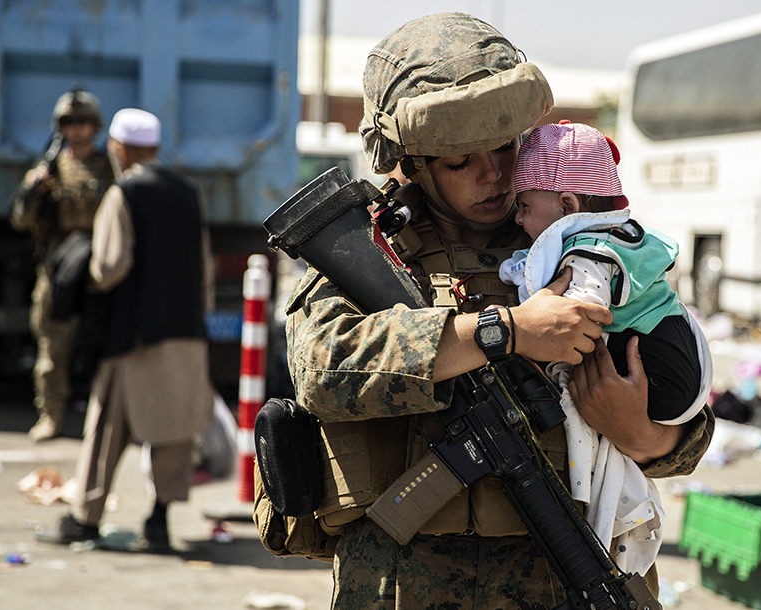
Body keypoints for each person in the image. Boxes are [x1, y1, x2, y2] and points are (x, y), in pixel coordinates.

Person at [284, 12, 715, 609]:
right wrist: (504, 332)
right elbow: (323, 370)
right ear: (413, 161)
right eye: (461, 161)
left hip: (566, 567)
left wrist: (639, 431)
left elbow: (687, 417)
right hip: (402, 582)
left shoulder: (577, 244)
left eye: (506, 146)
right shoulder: (373, 250)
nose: (497, 175)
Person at [500, 121, 713, 573]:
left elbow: (581, 311)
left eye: (523, 206)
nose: (516, 218)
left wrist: (527, 329)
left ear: (568, 205)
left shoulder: (590, 249)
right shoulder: (606, 235)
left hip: (661, 375)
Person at [36, 108, 214, 549]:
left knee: (106, 427)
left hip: (135, 335)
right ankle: (158, 522)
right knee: (174, 431)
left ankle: (86, 518)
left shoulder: (125, 192)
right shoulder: (188, 193)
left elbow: (110, 266)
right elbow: (205, 269)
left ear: (122, 148)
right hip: (185, 332)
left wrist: (87, 278)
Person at [10, 89, 115, 442]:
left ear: (95, 126)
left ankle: (109, 420)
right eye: (68, 122)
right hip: (60, 266)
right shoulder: (48, 169)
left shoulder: (109, 168)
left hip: (99, 262)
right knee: (51, 344)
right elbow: (21, 220)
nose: (76, 129)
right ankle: (50, 415)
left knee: (107, 344)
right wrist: (33, 191)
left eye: (82, 121)